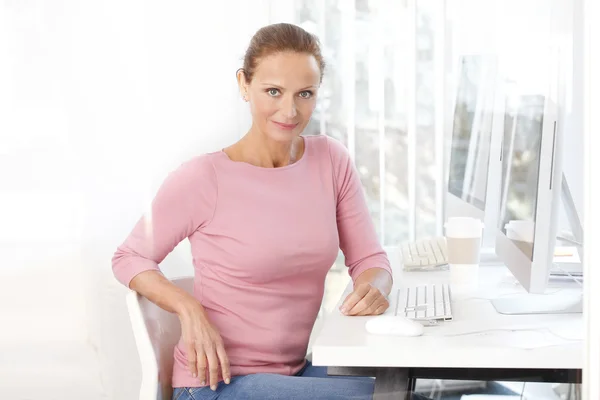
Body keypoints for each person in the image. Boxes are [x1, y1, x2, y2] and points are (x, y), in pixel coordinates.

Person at [112, 22, 428, 400]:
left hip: (294, 373)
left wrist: (376, 286)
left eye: (305, 94)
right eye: (273, 91)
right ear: (244, 84)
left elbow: (371, 259)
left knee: (404, 383)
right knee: (389, 397)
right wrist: (188, 307)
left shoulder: (331, 161)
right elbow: (129, 256)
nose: (289, 110)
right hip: (216, 386)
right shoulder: (202, 178)